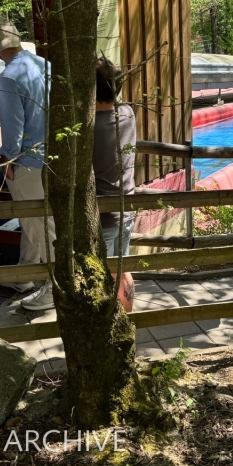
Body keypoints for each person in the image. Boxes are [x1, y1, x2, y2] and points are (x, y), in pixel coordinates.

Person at [0, 17, 54, 312]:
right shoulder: (44, 65)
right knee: (36, 221)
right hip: (53, 154)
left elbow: (13, 131)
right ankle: (24, 275)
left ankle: (56, 287)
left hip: (28, 162)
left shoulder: (9, 77)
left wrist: (8, 157)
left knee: (38, 224)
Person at [93, 58, 136, 308]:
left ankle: (113, 323)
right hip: (126, 205)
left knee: (105, 274)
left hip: (104, 214)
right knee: (123, 267)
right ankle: (126, 321)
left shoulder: (90, 126)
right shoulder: (128, 113)